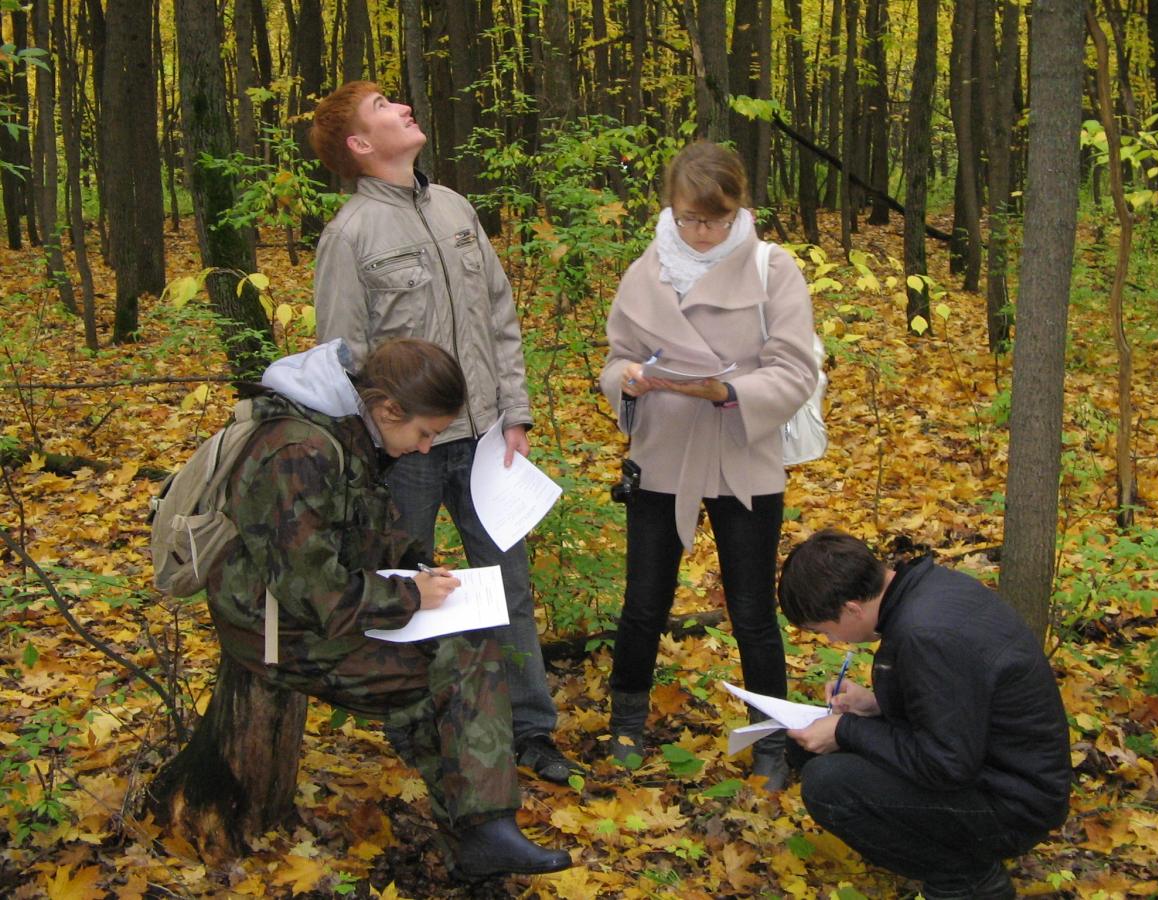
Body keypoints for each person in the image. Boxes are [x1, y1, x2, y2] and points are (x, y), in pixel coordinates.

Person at [206, 337, 571, 879]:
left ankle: (480, 834)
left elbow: (364, 534)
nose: (426, 448)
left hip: (307, 610)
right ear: (388, 409)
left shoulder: (348, 430)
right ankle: (479, 832)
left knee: (467, 647)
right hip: (270, 628)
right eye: (424, 433)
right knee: (448, 669)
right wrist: (407, 598)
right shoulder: (298, 451)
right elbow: (312, 594)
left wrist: (418, 568)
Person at [307, 81, 581, 784]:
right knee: (408, 589)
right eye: (382, 110)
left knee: (509, 586)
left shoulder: (455, 207)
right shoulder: (350, 236)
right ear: (360, 147)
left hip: (489, 438)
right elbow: (341, 355)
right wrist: (370, 452)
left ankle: (530, 730)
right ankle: (426, 733)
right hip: (409, 454)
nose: (403, 108)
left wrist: (514, 412)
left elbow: (499, 313)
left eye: (399, 101)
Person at [598, 141, 821, 788]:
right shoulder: (647, 271)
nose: (702, 232)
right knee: (644, 601)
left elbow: (795, 368)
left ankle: (772, 743)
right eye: (691, 219)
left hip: (740, 453)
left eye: (716, 220)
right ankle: (627, 722)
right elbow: (616, 357)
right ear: (671, 208)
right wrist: (629, 380)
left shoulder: (771, 270)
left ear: (738, 208)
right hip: (661, 452)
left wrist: (730, 392)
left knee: (752, 609)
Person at [778, 530, 1072, 900]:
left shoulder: (925, 635)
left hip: (1013, 804)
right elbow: (958, 703)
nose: (834, 642)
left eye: (825, 631)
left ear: (852, 608)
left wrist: (847, 730)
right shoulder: (927, 590)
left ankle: (966, 878)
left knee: (828, 784)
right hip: (993, 764)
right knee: (810, 746)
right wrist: (875, 705)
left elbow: (946, 764)